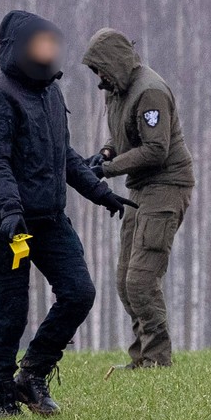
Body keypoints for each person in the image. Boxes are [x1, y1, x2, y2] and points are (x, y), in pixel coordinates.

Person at [0, 10, 136, 418]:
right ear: (20, 48)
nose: (49, 51)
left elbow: (62, 156)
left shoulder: (51, 92)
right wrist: (11, 213)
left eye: (52, 44)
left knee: (79, 292)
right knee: (12, 310)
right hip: (8, 224)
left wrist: (102, 193)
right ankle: (2, 397)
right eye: (40, 44)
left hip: (50, 220)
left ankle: (32, 375)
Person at [80, 28, 197, 369]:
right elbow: (123, 136)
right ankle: (142, 357)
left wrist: (109, 169)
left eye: (99, 70)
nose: (98, 79)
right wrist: (104, 153)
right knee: (124, 279)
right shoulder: (117, 90)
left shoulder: (150, 93)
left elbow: (156, 149)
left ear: (113, 63)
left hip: (166, 187)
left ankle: (158, 362)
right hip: (141, 189)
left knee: (142, 280)